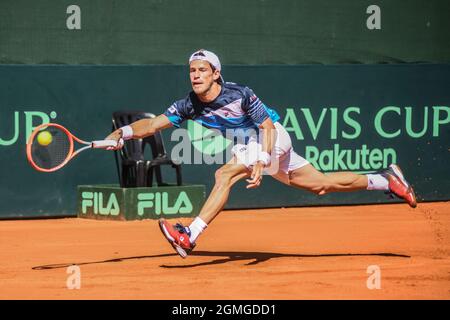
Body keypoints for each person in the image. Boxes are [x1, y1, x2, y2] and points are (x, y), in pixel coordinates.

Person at [106, 49, 417, 258]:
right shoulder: (189, 103)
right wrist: (124, 133)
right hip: (252, 147)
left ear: (216, 73)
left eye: (202, 70)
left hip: (271, 138)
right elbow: (154, 124)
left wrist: (262, 160)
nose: (195, 75)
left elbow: (267, 128)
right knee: (320, 184)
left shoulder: (240, 94)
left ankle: (189, 234)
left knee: (223, 173)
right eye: (191, 70)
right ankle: (385, 180)